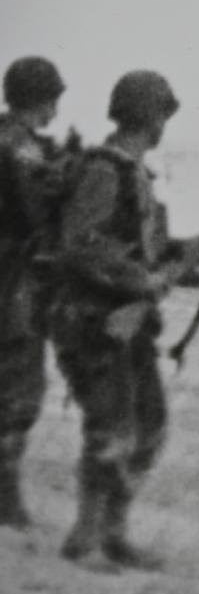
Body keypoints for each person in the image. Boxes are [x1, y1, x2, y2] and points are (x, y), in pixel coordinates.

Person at [50, 70, 199, 570]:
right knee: (112, 432)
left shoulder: (133, 173)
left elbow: (142, 248)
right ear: (152, 117)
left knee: (149, 430)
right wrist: (143, 281)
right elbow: (81, 244)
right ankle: (85, 539)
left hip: (129, 325)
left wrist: (190, 254)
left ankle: (113, 534)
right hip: (94, 323)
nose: (165, 124)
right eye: (163, 114)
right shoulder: (105, 171)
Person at [0, 56, 67, 528]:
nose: (55, 111)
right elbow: (34, 217)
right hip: (13, 280)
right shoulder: (21, 147)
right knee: (21, 390)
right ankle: (4, 499)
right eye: (52, 100)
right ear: (41, 99)